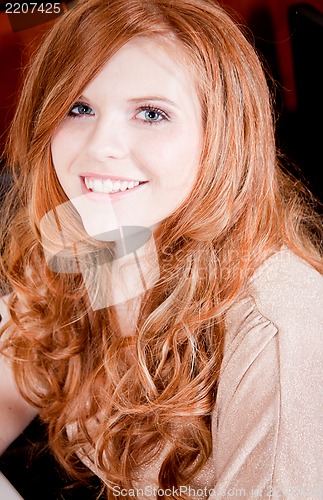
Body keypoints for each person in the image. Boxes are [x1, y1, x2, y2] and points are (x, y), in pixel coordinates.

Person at [0, 0, 322, 498]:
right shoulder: (101, 233)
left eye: (151, 113)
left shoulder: (279, 326)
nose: (102, 145)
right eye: (78, 108)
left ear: (220, 136)